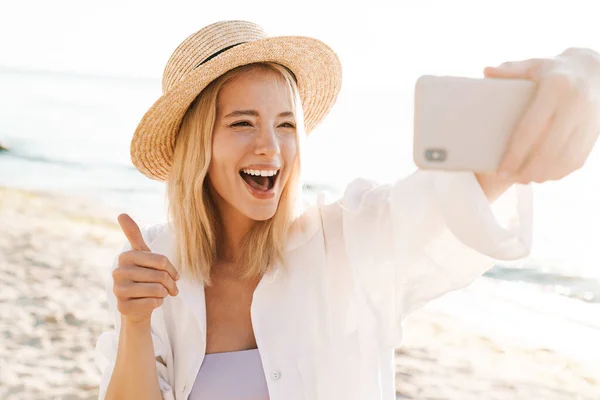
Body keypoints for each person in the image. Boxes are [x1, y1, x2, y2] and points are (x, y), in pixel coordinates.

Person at [94, 20, 600, 400]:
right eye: (242, 123)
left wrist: (583, 72)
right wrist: (136, 323)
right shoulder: (157, 260)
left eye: (287, 125)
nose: (271, 148)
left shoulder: (349, 242)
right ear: (197, 148)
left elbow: (449, 196)